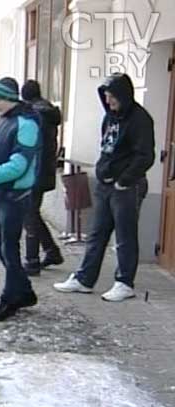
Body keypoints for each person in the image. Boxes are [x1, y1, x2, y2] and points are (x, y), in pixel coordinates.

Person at [54, 73, 155, 302]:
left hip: (126, 187)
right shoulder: (110, 117)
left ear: (123, 95)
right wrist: (103, 174)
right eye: (106, 97)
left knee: (124, 236)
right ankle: (84, 279)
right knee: (96, 234)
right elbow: (106, 147)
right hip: (106, 185)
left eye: (112, 97)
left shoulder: (140, 119)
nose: (108, 101)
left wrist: (124, 180)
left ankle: (124, 282)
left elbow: (145, 156)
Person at [0, 77, 41, 322]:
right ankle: (25, 291)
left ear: (8, 98)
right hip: (2, 192)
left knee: (9, 247)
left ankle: (10, 298)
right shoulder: (5, 120)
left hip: (16, 195)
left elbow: (19, 165)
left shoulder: (26, 123)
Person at [21, 80, 64, 276]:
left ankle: (32, 260)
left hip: (34, 171)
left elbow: (31, 145)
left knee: (29, 213)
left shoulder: (34, 115)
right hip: (45, 170)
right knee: (32, 212)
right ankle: (51, 251)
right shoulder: (48, 112)